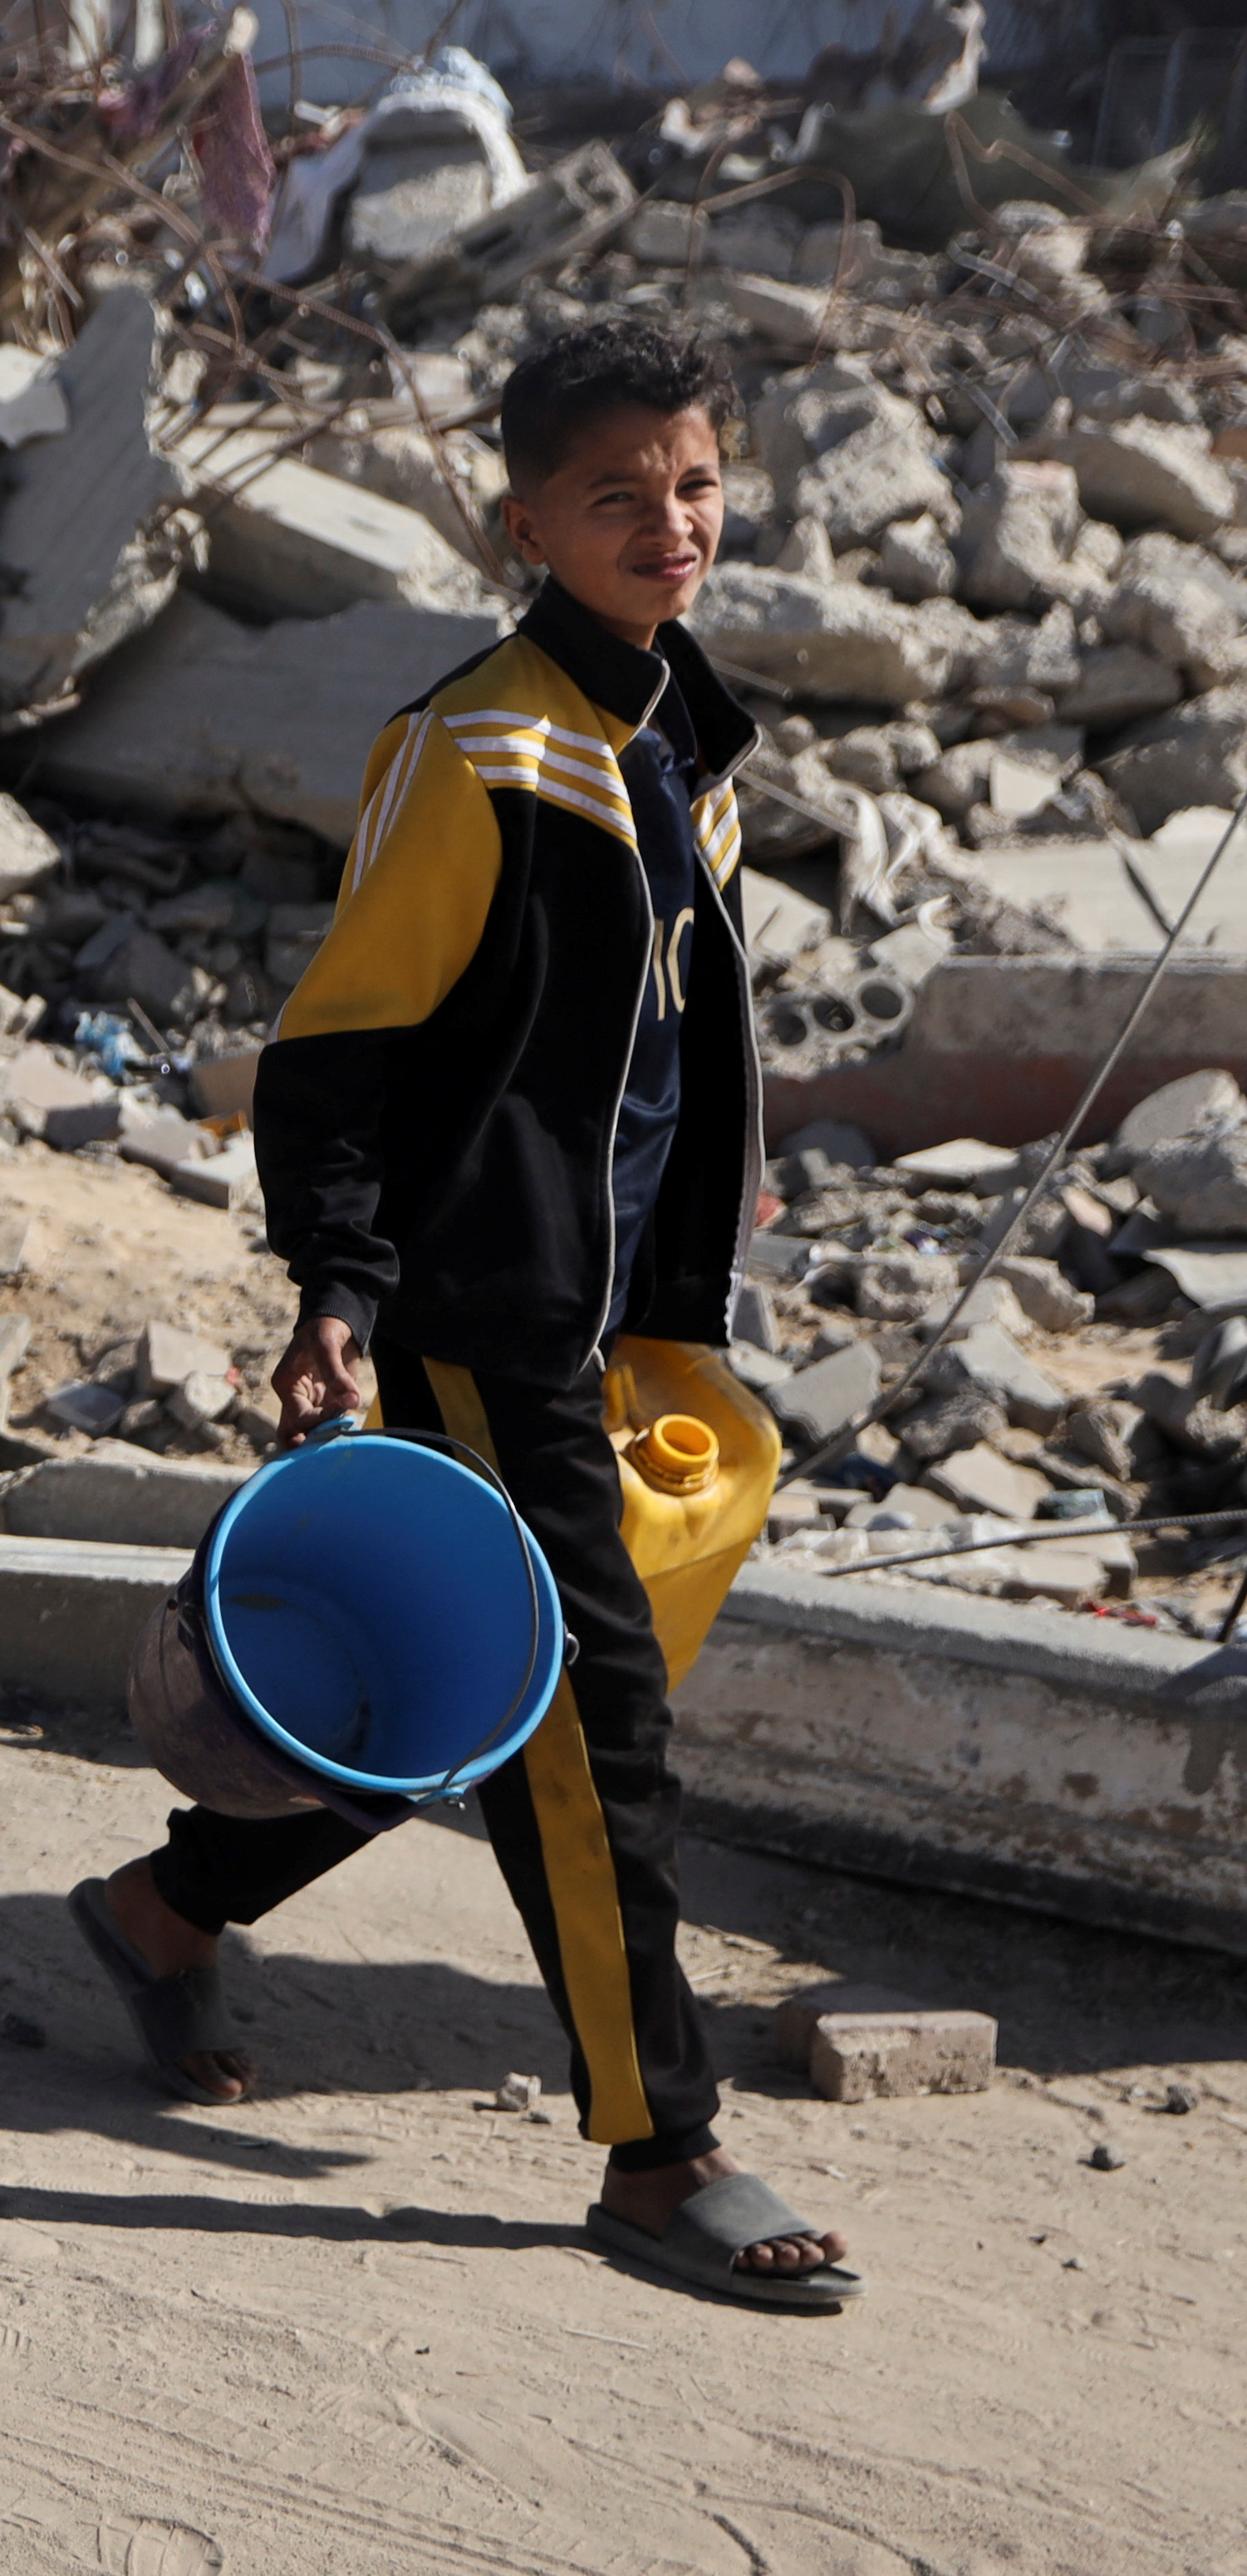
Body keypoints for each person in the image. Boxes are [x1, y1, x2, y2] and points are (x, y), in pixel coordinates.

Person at [65, 317, 862, 2313]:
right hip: (474, 1305)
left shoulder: (677, 730)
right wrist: (334, 1290)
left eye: (687, 484)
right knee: (596, 1730)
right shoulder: (477, 746)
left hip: (596, 1307)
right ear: (519, 520)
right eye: (613, 495)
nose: (662, 523)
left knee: (470, 1683)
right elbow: (333, 1054)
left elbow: (663, 1043)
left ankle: (169, 1911)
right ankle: (653, 2142)